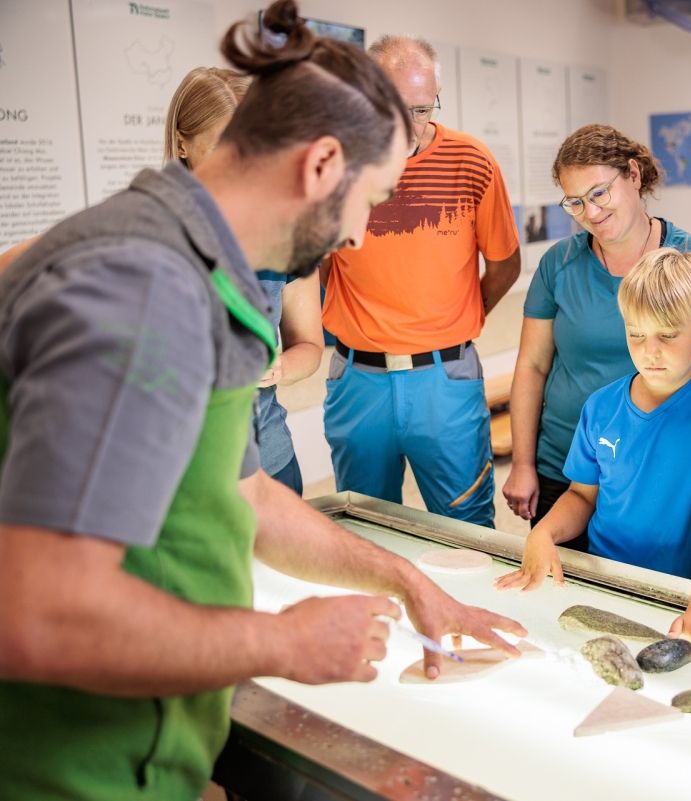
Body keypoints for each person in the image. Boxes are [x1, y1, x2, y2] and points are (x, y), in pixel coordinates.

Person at [0, 5, 524, 800]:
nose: (355, 237)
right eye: (370, 199)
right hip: (73, 771)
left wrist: (403, 580)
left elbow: (244, 496)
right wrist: (282, 640)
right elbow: (40, 615)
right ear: (320, 165)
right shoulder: (145, 290)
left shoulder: (197, 270)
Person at [497, 247, 691, 656]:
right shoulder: (601, 406)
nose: (649, 350)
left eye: (668, 335)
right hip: (609, 580)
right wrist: (544, 533)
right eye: (636, 333)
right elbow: (581, 496)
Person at [502, 124, 691, 542]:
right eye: (575, 203)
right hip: (565, 461)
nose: (591, 213)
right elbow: (532, 365)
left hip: (666, 463)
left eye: (599, 193)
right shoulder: (559, 264)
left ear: (633, 175)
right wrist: (522, 463)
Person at [321, 35, 521, 527]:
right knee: (363, 522)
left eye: (423, 108)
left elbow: (505, 265)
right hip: (357, 380)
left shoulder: (471, 161)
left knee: (467, 528)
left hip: (445, 378)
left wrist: (455, 317)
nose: (411, 124)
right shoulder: (334, 166)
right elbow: (320, 267)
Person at [166, 66, 323, 494]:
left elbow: (308, 345)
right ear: (182, 141)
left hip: (270, 464)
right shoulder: (147, 229)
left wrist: (280, 367)